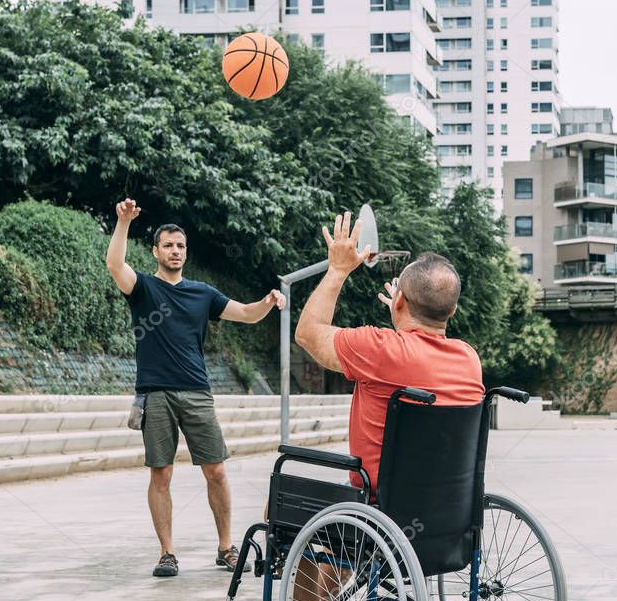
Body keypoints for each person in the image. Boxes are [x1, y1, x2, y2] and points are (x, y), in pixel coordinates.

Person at [106, 197, 285, 578]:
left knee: (216, 471)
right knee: (161, 473)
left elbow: (246, 314)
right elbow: (114, 264)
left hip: (196, 392)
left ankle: (225, 548)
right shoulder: (143, 289)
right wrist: (123, 222)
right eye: (168, 245)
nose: (175, 251)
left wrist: (268, 301)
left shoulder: (203, 294)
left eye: (181, 246)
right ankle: (167, 553)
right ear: (155, 251)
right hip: (155, 392)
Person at [295, 211, 484, 499]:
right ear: (452, 311)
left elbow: (307, 333)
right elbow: (416, 353)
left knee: (277, 502)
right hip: (447, 509)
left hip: (378, 507)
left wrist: (337, 270)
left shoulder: (378, 349)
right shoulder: (469, 359)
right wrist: (403, 315)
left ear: (399, 303)